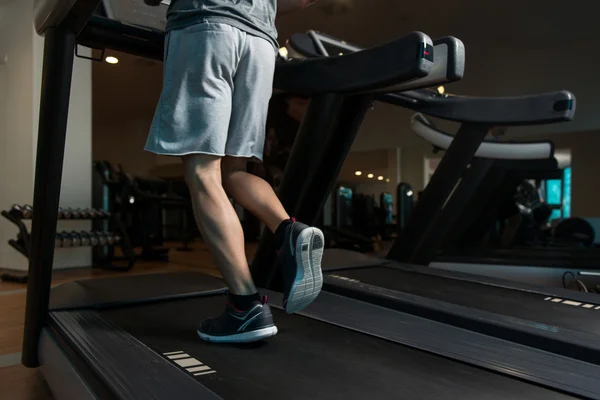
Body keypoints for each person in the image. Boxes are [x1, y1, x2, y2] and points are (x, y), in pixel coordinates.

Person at [143, 0, 324, 344]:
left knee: (202, 172)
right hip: (261, 44)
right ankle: (288, 230)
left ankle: (245, 306)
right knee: (234, 170)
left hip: (206, 29)